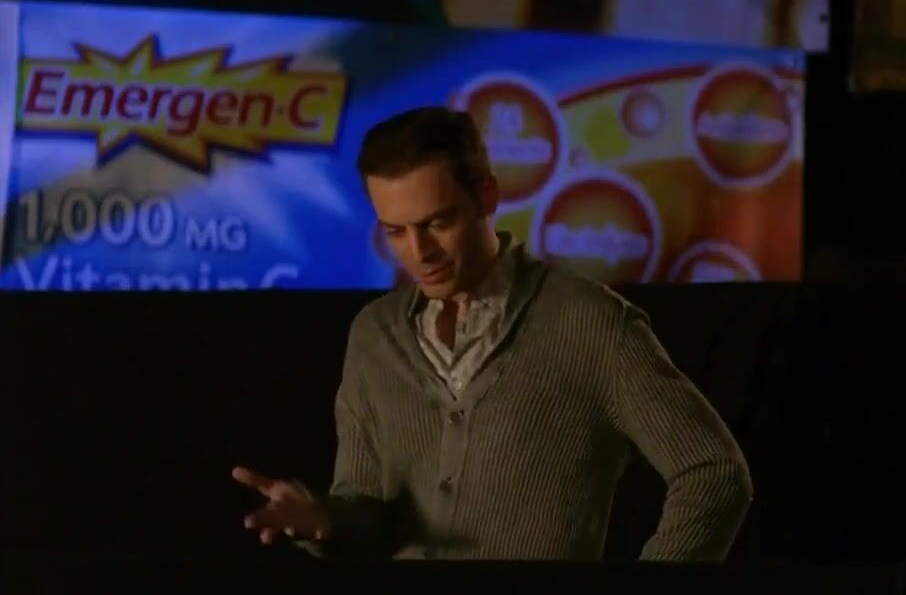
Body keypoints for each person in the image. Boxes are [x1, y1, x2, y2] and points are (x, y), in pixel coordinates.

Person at [232, 106, 752, 561]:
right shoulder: (374, 334)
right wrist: (324, 521)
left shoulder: (591, 324)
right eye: (395, 231)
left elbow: (713, 473)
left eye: (437, 224)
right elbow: (365, 513)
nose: (419, 252)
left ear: (487, 196)